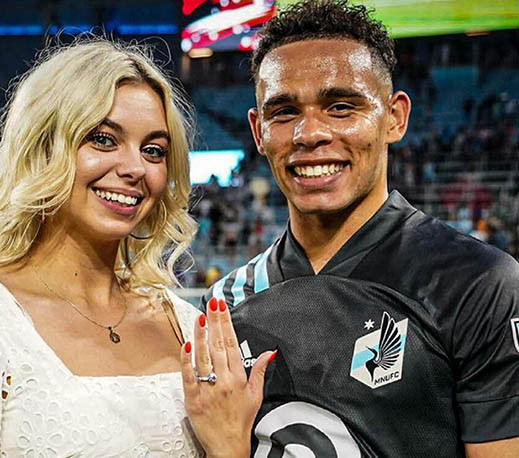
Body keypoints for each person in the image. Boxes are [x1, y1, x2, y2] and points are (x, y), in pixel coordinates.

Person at [201, 1, 519, 456]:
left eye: (341, 107)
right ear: (258, 131)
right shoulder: (227, 304)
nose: (309, 133)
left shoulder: (478, 284)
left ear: (395, 117)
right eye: (284, 112)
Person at [0, 39, 274, 457]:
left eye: (153, 150)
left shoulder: (188, 326)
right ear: (43, 148)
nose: (135, 168)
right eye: (103, 139)